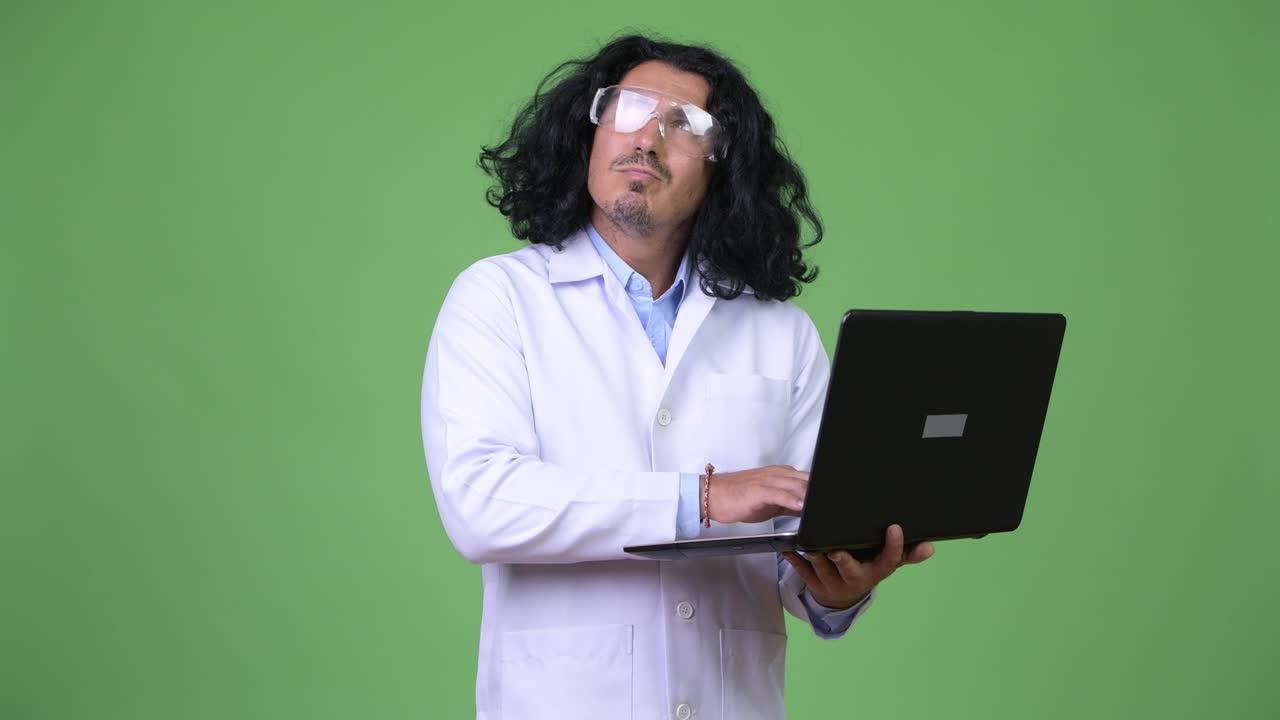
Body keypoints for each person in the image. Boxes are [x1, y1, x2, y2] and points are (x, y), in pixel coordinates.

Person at [421, 34, 934, 720]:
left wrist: (836, 589)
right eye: (628, 110)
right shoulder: (499, 297)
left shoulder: (780, 332)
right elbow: (482, 504)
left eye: (686, 126)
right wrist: (703, 498)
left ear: (725, 169)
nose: (648, 140)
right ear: (589, 134)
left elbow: (796, 544)